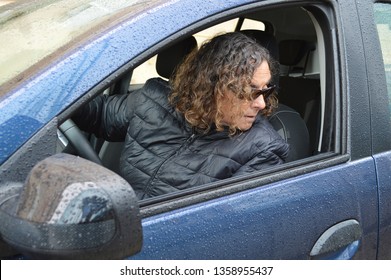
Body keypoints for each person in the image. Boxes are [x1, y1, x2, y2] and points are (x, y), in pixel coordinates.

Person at [73, 32, 289, 200]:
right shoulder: (155, 100)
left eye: (266, 90)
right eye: (250, 91)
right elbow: (97, 112)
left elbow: (219, 225)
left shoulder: (262, 149)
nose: (261, 103)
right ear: (214, 86)